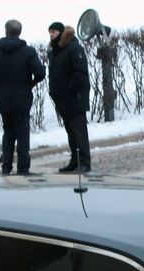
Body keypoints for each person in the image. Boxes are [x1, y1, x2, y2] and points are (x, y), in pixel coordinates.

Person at [0, 19, 45, 176]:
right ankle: (23, 168)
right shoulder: (28, 52)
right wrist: (30, 83)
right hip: (22, 99)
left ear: (5, 31)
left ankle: (6, 167)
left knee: (8, 132)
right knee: (23, 134)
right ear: (20, 32)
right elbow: (41, 72)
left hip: (2, 100)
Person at [47, 21, 91, 173]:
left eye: (53, 31)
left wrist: (69, 91)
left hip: (74, 98)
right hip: (62, 99)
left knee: (79, 132)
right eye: (50, 32)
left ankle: (85, 162)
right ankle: (75, 160)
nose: (51, 34)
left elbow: (80, 74)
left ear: (60, 32)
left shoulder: (73, 48)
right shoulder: (54, 51)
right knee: (71, 133)